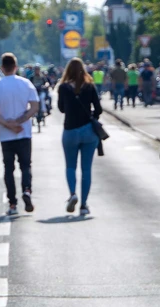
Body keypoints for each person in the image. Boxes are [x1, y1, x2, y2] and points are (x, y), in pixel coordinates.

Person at [0, 52, 39, 216]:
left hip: (6, 134)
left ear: (2, 68)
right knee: (25, 166)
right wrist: (21, 120)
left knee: (8, 169)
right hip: (24, 132)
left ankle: (12, 203)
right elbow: (35, 106)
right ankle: (27, 190)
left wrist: (7, 123)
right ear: (16, 67)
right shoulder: (26, 83)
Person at [57, 57, 102, 217]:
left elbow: (61, 109)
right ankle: (83, 205)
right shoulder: (89, 86)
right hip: (88, 131)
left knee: (70, 166)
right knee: (86, 169)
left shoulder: (63, 87)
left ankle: (72, 194)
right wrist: (91, 117)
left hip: (70, 130)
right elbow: (99, 109)